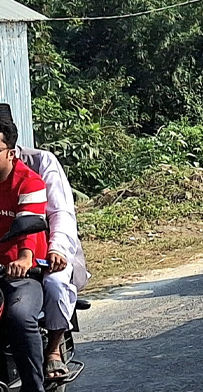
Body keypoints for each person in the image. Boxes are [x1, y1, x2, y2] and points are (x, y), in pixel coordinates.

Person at [0, 104, 89, 382]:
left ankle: (52, 349)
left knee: (55, 285)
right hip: (6, 255)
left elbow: (60, 212)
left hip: (46, 251)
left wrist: (56, 249)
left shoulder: (38, 164)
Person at [0, 119, 48, 392]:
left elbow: (29, 224)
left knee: (19, 316)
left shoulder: (29, 182)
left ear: (10, 152)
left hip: (21, 274)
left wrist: (24, 258)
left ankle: (33, 388)